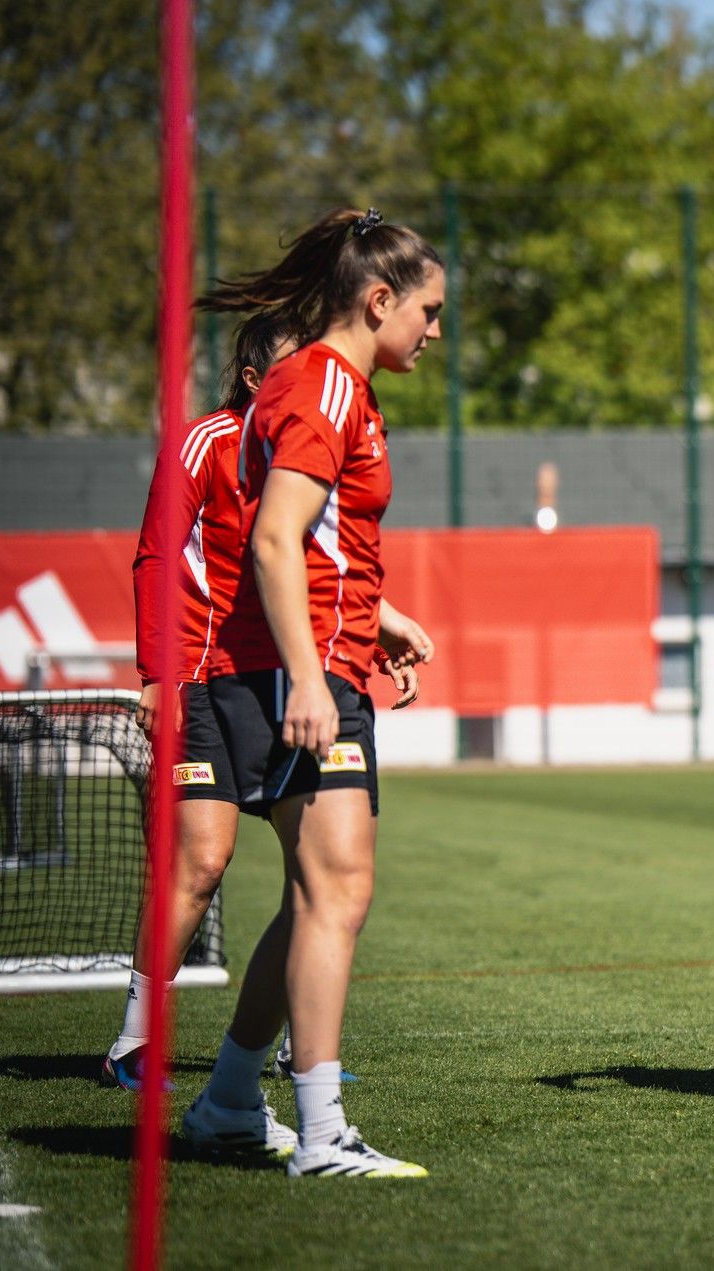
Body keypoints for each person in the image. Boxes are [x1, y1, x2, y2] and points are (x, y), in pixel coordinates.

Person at [178, 206, 441, 1177]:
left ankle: (228, 1101)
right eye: (428, 310)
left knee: (313, 895)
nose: (435, 329)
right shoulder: (326, 383)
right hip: (304, 671)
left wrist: (379, 620)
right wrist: (308, 672)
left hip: (324, 656)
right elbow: (275, 537)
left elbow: (320, 542)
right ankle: (323, 1132)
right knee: (337, 888)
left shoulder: (328, 386)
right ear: (378, 301)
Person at [108, 317, 419, 1099]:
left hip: (290, 680)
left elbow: (322, 567)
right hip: (205, 681)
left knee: (316, 873)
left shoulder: (313, 441)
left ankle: (291, 1049)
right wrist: (158, 673)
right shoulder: (204, 442)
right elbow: (156, 554)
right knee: (202, 861)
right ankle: (134, 1041)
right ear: (253, 379)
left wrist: (375, 630)